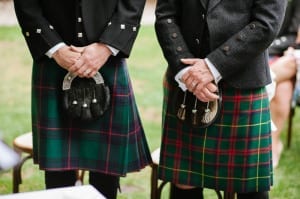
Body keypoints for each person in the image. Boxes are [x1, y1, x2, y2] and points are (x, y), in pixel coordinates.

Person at [13, 0, 152, 198]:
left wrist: (107, 46)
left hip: (106, 60)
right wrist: (56, 49)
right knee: (57, 176)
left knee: (106, 173)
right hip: (54, 60)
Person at [155, 0, 286, 199]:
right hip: (186, 81)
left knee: (249, 186)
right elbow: (166, 15)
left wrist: (213, 66)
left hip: (243, 85)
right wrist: (186, 71)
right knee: (184, 182)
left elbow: (267, 23)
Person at [268, 0, 300, 168]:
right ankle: (272, 145)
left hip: (287, 57)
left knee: (286, 70)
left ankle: (271, 145)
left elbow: (294, 36)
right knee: (283, 86)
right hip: (269, 54)